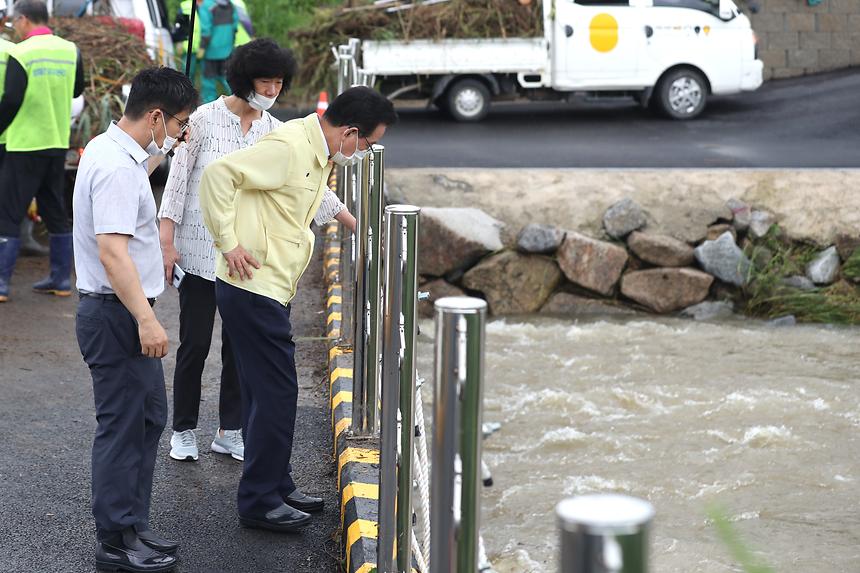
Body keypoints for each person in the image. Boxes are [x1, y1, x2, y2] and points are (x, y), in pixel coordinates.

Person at [199, 86, 396, 532]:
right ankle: (259, 500)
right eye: (366, 144)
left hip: (268, 286)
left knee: (260, 391)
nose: (364, 153)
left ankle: (275, 484)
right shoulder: (290, 147)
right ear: (350, 132)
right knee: (278, 393)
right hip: (253, 285)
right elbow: (217, 175)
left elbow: (312, 198)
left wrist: (360, 226)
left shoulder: (316, 152)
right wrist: (228, 242)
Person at [159, 38, 333, 464]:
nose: (272, 90)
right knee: (195, 344)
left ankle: (229, 429)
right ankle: (183, 429)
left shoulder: (275, 130)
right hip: (201, 252)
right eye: (264, 81)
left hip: (246, 258)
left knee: (238, 348)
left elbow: (312, 187)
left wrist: (355, 219)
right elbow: (178, 180)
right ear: (243, 78)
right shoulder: (202, 120)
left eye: (278, 83)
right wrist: (166, 241)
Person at [73, 67, 197, 572]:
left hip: (117, 312)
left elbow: (132, 182)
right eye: (179, 122)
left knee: (147, 420)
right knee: (124, 426)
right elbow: (113, 255)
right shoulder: (116, 168)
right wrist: (147, 320)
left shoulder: (114, 152)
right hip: (117, 315)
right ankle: (115, 542)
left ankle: (131, 527)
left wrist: (167, 151)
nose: (181, 130)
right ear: (155, 116)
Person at [0, 0, 85, 303]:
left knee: (8, 212)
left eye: (14, 22)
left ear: (24, 19)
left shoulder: (21, 52)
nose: (14, 27)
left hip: (24, 144)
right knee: (55, 211)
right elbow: (77, 90)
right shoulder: (70, 49)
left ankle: (1, 284)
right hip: (56, 142)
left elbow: (10, 100)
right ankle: (61, 279)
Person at [196, 0, 238, 103]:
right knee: (228, 79)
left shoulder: (207, 6)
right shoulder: (230, 5)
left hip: (211, 51)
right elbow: (235, 27)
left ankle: (209, 106)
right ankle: (238, 102)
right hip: (227, 50)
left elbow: (206, 29)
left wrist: (202, 47)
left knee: (208, 81)